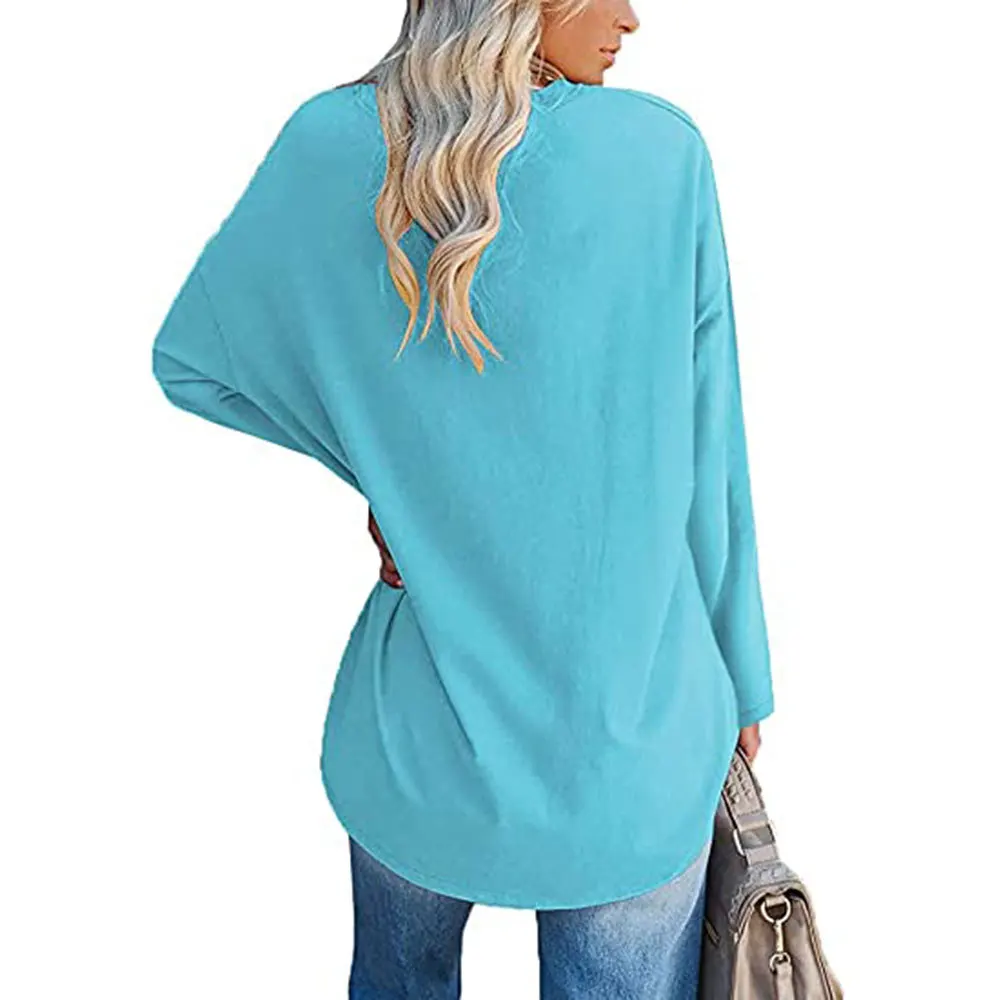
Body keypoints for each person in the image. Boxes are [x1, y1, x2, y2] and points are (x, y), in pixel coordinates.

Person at [150, 1, 776, 996]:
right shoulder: (660, 156)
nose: (630, 17)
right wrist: (744, 680)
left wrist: (391, 478)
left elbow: (198, 363)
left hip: (418, 741)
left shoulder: (331, 143)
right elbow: (710, 441)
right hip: (632, 741)